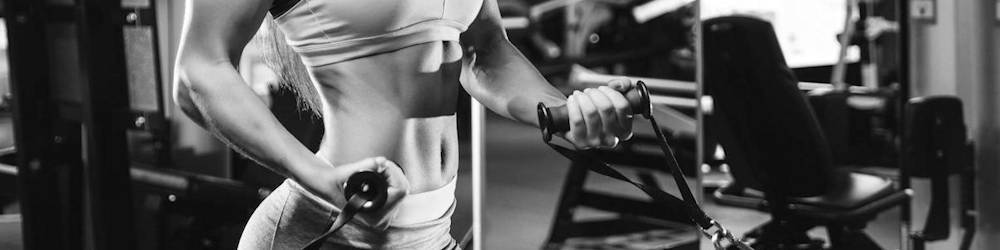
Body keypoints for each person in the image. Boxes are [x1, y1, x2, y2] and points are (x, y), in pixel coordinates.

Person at [172, 0, 636, 248]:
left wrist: (564, 111)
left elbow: (486, 49)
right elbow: (199, 73)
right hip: (332, 231)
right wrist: (321, 179)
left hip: (433, 231)